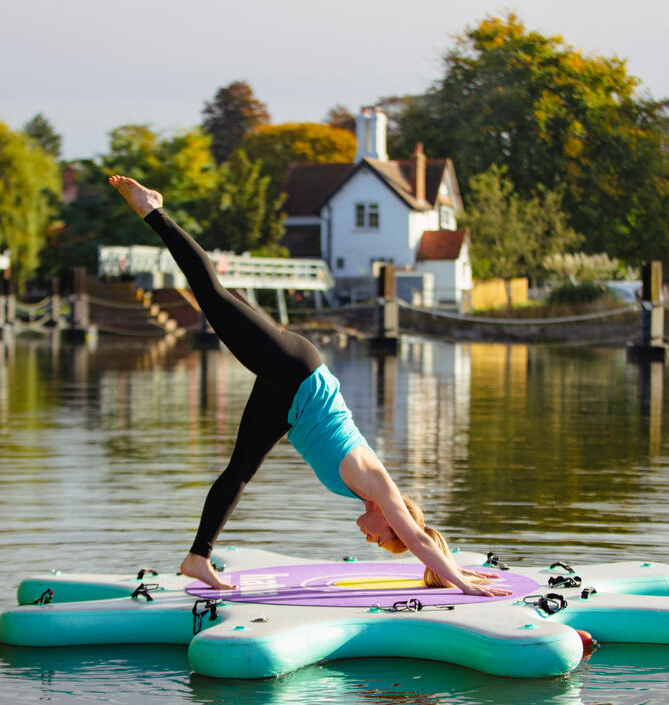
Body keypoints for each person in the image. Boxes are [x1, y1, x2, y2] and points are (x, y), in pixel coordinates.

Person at [109, 175, 510, 597]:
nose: (372, 541)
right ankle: (153, 210)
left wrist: (454, 571)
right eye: (384, 538)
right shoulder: (379, 485)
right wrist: (461, 580)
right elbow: (419, 538)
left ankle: (197, 557)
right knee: (212, 295)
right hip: (297, 372)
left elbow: (418, 540)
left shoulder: (364, 491)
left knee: (239, 472)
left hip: (288, 404)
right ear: (391, 520)